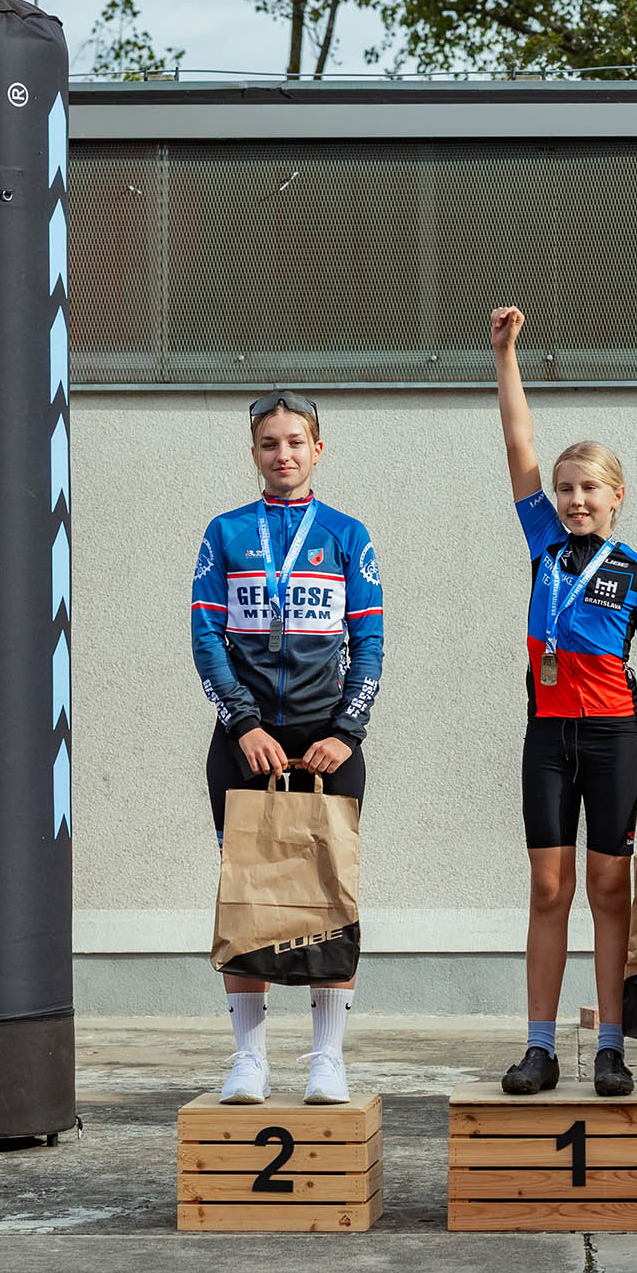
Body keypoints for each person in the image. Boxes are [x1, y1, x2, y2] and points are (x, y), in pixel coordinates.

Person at [492, 305, 637, 1098]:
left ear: (616, 496)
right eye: (566, 489)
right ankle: (539, 1047)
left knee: (610, 890)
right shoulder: (543, 544)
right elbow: (520, 444)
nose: (575, 500)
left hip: (612, 738)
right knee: (548, 888)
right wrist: (506, 355)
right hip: (548, 736)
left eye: (589, 489)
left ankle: (610, 1045)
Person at [191, 389, 384, 1105]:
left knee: (329, 893)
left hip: (327, 740)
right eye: (270, 443)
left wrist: (346, 730)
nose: (283, 455)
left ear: (317, 450)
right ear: (254, 452)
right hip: (245, 741)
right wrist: (243, 724)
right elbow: (206, 638)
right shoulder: (225, 532)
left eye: (296, 442)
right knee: (247, 890)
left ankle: (327, 1060)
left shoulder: (346, 534)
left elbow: (369, 641)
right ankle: (249, 1059)